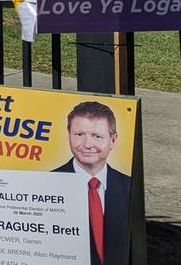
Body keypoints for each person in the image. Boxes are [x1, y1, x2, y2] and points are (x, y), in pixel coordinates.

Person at [52, 101, 132, 265]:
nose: (87, 144)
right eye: (79, 134)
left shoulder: (129, 186)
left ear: (113, 140)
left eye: (97, 136)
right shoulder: (47, 184)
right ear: (69, 135)